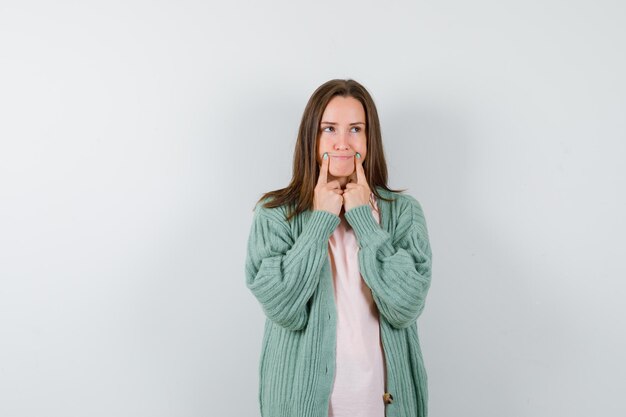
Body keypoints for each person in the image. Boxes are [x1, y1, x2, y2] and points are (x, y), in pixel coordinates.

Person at [244, 79, 433, 417]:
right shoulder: (274, 214)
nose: (343, 142)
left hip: (386, 404)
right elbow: (282, 307)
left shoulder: (404, 212)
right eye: (329, 128)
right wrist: (319, 222)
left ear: (369, 137)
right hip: (300, 405)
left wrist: (364, 220)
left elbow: (406, 306)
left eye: (355, 129)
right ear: (311, 138)